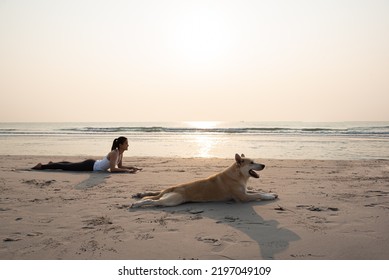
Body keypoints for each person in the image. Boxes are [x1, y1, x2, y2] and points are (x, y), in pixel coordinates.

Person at [32, 137, 141, 173]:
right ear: (121, 144)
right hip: (90, 166)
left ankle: (53, 164)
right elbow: (113, 169)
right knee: (66, 167)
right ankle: (42, 166)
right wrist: (127, 171)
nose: (128, 145)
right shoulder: (114, 153)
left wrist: (131, 167)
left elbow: (120, 167)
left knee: (70, 165)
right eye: (126, 143)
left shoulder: (120, 153)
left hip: (92, 164)